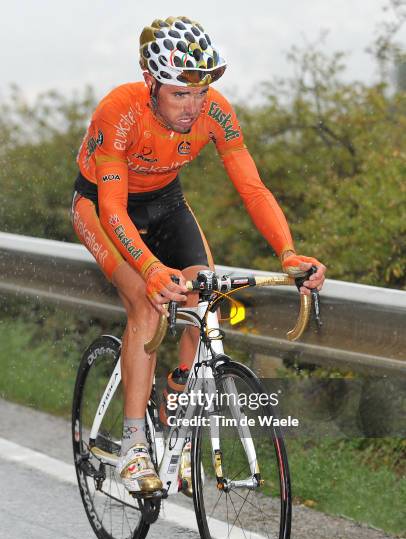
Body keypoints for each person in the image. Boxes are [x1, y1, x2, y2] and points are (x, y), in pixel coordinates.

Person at [71, 15, 326, 495]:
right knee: (148, 304)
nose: (193, 108)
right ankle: (133, 447)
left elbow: (252, 187)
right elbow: (112, 209)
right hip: (105, 208)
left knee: (202, 293)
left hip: (167, 204)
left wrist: (288, 253)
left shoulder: (216, 113)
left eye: (201, 93)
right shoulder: (119, 111)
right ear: (151, 82)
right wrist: (148, 268)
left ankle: (178, 402)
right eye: (180, 94)